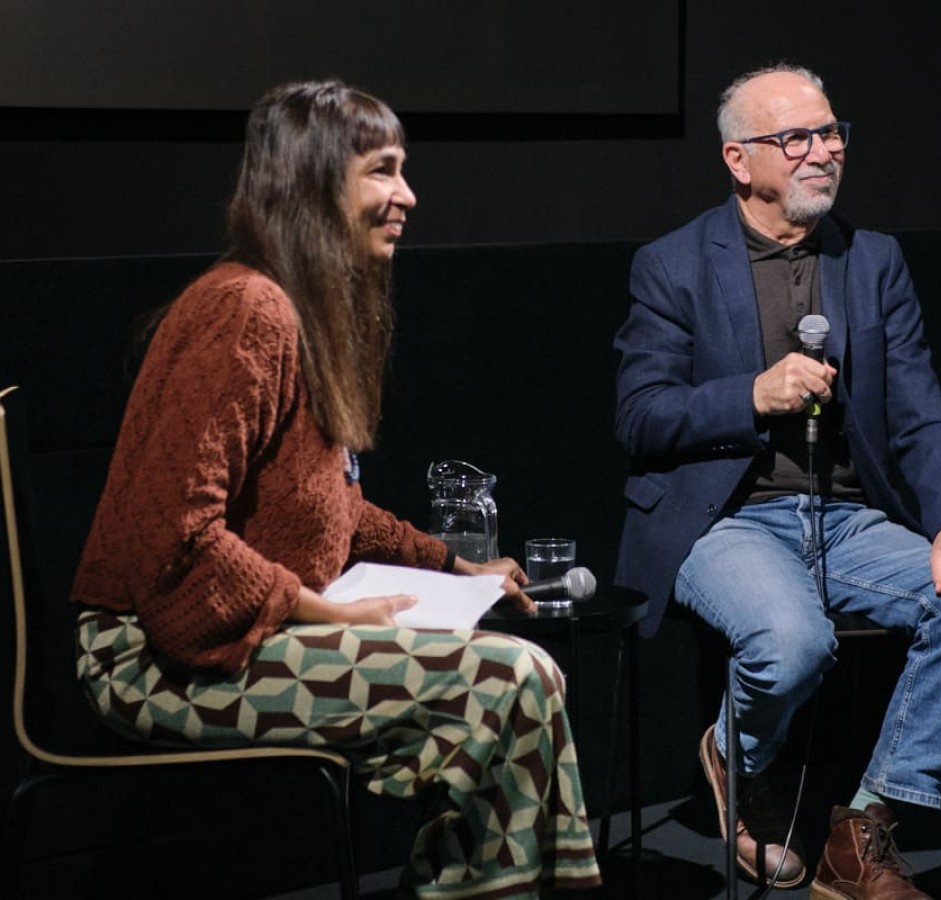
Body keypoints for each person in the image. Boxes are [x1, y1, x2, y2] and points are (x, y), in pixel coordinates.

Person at [71, 79, 600, 899]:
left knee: (521, 675)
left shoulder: (293, 312)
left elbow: (333, 507)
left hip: (242, 633)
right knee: (509, 682)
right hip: (148, 659)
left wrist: (451, 569)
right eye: (384, 171)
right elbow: (176, 536)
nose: (407, 195)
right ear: (318, 181)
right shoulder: (248, 310)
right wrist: (327, 613)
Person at [613, 64, 941, 898]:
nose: (822, 152)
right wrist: (751, 396)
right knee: (793, 642)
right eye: (794, 138)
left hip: (846, 518)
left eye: (831, 133)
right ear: (738, 160)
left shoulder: (872, 261)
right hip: (721, 518)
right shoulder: (673, 265)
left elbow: (922, 409)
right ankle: (733, 754)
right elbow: (641, 417)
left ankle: (863, 828)